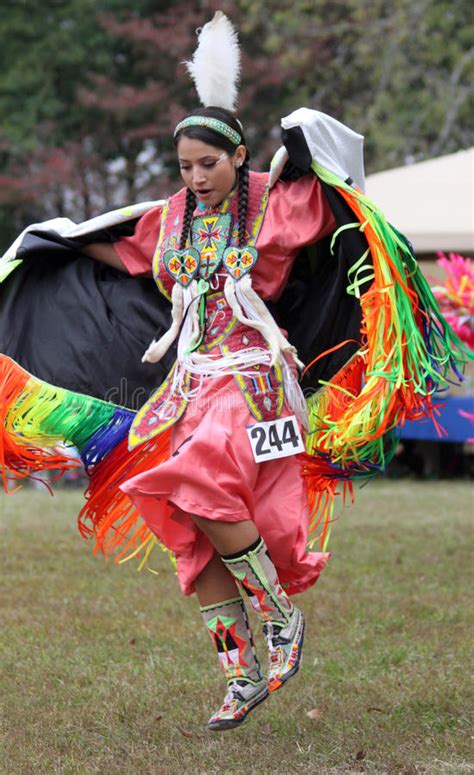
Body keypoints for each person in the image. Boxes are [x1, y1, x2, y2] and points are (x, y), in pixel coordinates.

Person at [0, 11, 470, 732]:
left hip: (251, 379)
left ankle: (281, 617)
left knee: (200, 485)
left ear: (239, 157)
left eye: (209, 166)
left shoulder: (277, 204)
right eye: (185, 167)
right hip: (188, 383)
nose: (196, 178)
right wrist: (53, 246)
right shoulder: (173, 218)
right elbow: (121, 250)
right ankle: (239, 670)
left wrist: (302, 143)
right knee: (179, 518)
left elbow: (335, 188)